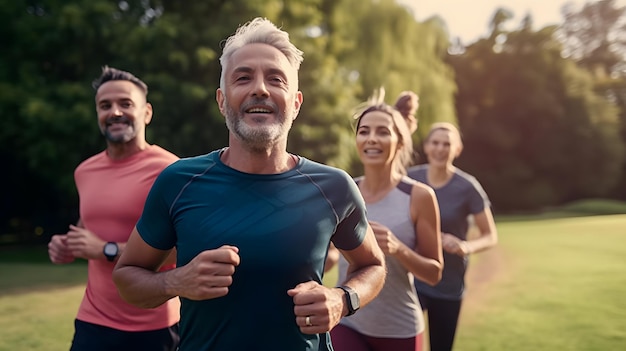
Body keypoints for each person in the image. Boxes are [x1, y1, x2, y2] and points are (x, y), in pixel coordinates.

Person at [112, 17, 387, 351]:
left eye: (276, 79)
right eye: (243, 78)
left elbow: (372, 265)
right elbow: (126, 277)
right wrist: (176, 280)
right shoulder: (178, 181)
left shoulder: (334, 187)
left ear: (296, 103)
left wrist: (343, 299)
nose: (260, 88)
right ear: (222, 100)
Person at [47, 66, 180, 351]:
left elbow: (185, 250)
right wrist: (66, 245)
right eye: (105, 106)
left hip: (154, 326)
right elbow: (88, 227)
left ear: (146, 113)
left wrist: (106, 250)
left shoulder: (171, 171)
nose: (115, 112)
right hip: (93, 321)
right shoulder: (84, 171)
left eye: (126, 104)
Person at [330, 90, 444, 351]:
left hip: (399, 328)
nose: (372, 139)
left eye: (383, 132)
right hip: (347, 321)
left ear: (400, 141)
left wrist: (398, 248)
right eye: (364, 131)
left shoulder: (419, 196)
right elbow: (332, 253)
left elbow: (434, 273)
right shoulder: (343, 190)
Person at [409, 122, 498, 351]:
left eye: (447, 144)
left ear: (457, 149)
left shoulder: (467, 187)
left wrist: (465, 246)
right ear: (427, 147)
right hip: (412, 279)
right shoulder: (410, 180)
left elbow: (490, 235)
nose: (440, 148)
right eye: (435, 143)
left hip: (449, 283)